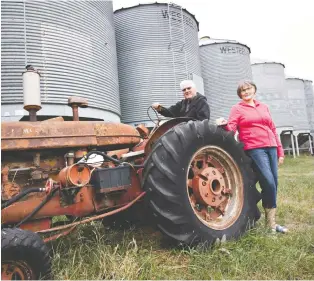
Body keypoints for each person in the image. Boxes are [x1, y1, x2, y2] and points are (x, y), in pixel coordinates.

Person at [216, 80, 288, 233]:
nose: (246, 92)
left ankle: (272, 224)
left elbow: (273, 129)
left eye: (249, 89)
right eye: (243, 90)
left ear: (254, 90)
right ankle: (270, 226)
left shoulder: (264, 107)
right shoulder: (237, 108)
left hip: (272, 147)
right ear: (240, 94)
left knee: (274, 183)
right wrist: (224, 125)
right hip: (254, 148)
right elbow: (232, 128)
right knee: (268, 182)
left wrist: (280, 151)